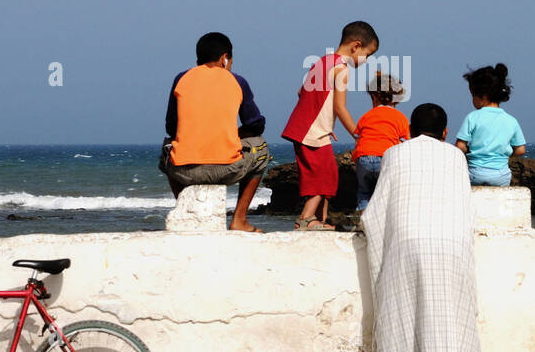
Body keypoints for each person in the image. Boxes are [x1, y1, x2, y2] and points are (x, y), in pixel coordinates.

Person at [358, 103, 481, 352]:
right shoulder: (456, 159)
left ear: (409, 130)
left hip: (406, 248)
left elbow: (378, 211)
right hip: (451, 251)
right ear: (445, 133)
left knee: (396, 333)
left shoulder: (394, 153)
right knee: (453, 336)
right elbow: (464, 209)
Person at [160, 32, 271, 232]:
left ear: (198, 59)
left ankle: (186, 209)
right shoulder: (237, 80)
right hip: (227, 169)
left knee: (167, 148)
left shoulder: (181, 78)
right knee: (261, 148)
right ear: (225, 58)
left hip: (185, 171)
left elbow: (171, 127)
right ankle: (239, 219)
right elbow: (255, 125)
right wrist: (236, 133)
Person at [280, 21, 378, 230]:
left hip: (305, 127)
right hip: (313, 131)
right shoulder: (341, 69)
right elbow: (341, 108)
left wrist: (323, 118)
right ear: (356, 46)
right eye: (367, 55)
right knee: (327, 177)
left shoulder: (322, 62)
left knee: (321, 174)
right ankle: (306, 218)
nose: (367, 60)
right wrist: (358, 135)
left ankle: (319, 220)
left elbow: (301, 93)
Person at [454, 63, 525, 186]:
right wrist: (506, 155)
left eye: (473, 95)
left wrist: (469, 151)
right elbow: (520, 150)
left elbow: (460, 146)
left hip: (475, 173)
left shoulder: (472, 117)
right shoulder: (511, 120)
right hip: (501, 175)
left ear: (483, 96)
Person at [352, 70, 410, 212]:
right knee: (387, 194)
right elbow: (405, 143)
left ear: (374, 97)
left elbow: (358, 139)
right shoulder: (400, 117)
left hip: (363, 158)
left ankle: (363, 220)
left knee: (364, 192)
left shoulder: (366, 116)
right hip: (385, 158)